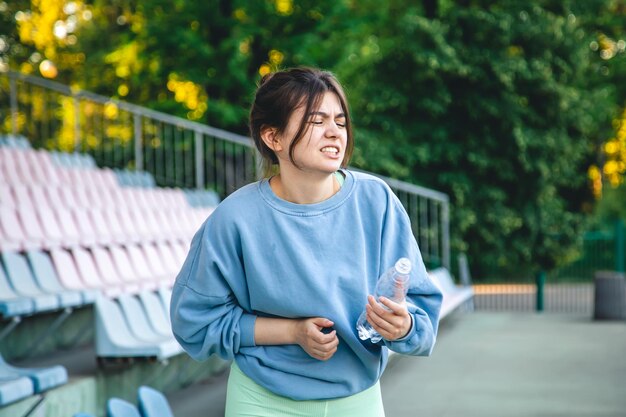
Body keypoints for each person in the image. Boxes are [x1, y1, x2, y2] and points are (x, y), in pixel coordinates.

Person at [170, 67, 442, 417]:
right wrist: (291, 331)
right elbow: (194, 321)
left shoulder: (377, 202)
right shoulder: (234, 217)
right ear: (273, 137)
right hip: (261, 400)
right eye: (317, 121)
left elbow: (422, 317)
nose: (334, 133)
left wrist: (403, 326)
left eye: (340, 122)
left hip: (358, 400)